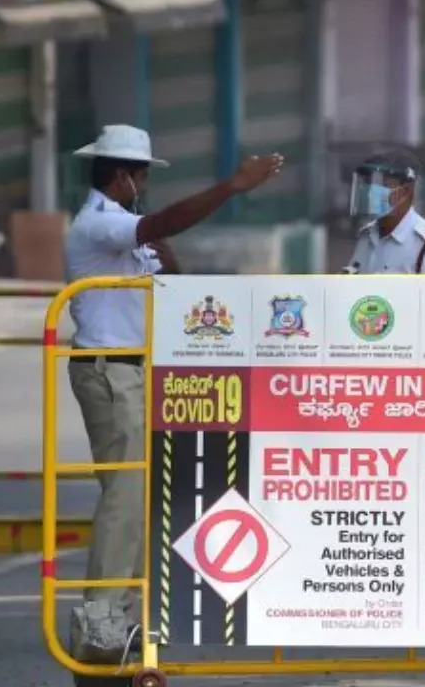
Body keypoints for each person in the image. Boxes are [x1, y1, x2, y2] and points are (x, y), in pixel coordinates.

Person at [65, 124, 282, 666]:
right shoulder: (99, 224)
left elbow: (174, 277)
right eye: (141, 177)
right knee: (126, 494)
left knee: (143, 497)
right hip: (110, 372)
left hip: (135, 371)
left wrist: (157, 241)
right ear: (121, 177)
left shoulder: (128, 229)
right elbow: (162, 223)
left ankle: (122, 612)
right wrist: (231, 186)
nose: (144, 186)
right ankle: (101, 617)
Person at [343, 151, 425, 275]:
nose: (371, 192)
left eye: (383, 184)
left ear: (407, 191)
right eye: (368, 184)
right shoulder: (366, 237)